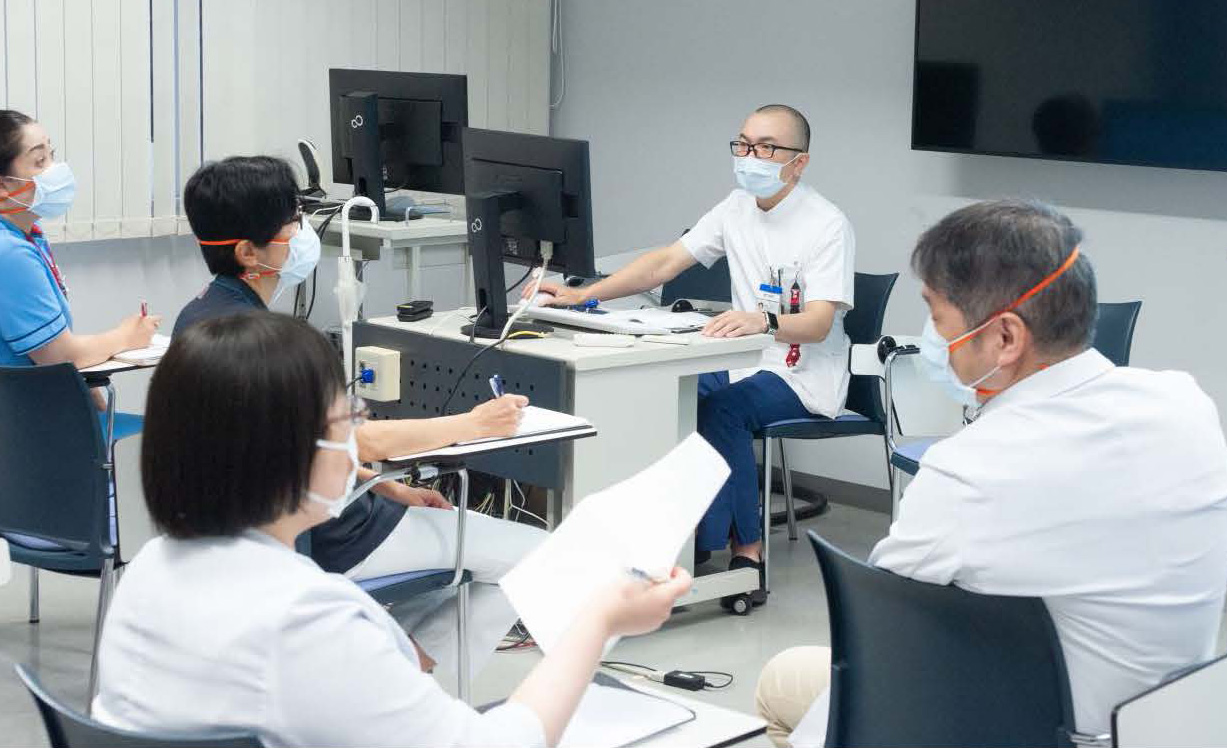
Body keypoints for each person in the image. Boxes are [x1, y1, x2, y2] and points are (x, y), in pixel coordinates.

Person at [754, 199, 1227, 747]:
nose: (931, 338)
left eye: (937, 318)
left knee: (782, 683)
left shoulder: (970, 471)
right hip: (1164, 728)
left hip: (1023, 729)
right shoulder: (1186, 405)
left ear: (1005, 337)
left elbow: (878, 653)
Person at [92, 312, 691, 747]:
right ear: (285, 452)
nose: (356, 436)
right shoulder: (308, 619)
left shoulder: (149, 575)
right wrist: (600, 620)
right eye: (345, 419)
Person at [173, 155, 544, 681]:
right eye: (291, 225)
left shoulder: (199, 318)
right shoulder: (262, 345)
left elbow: (289, 443)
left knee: (466, 569)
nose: (302, 235)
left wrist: (385, 487)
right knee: (538, 558)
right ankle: (408, 684)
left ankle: (392, 669)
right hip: (329, 535)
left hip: (275, 526)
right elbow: (357, 439)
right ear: (248, 252)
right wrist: (473, 425)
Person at [530, 104, 854, 602]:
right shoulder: (736, 207)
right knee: (669, 393)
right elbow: (665, 263)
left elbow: (819, 323)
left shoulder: (826, 224)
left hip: (801, 371)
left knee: (724, 408)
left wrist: (765, 321)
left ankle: (747, 552)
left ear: (799, 163)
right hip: (743, 358)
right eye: (744, 143)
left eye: (767, 147)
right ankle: (688, 538)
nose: (750, 156)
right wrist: (583, 295)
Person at [0, 110, 160, 437]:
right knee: (174, 438)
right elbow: (60, 356)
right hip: (13, 430)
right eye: (39, 161)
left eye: (52, 154)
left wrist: (86, 385)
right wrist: (127, 337)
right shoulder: (5, 254)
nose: (55, 170)